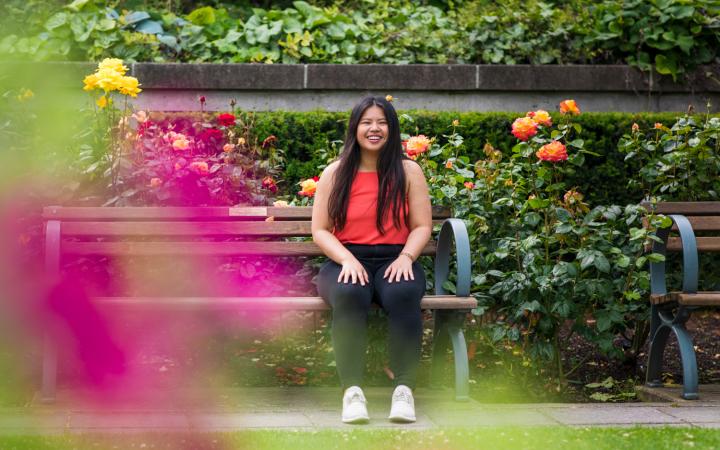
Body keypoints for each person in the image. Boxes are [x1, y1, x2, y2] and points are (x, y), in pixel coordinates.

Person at [312, 95, 432, 424]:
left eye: (381, 122)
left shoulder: (409, 171)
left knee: (404, 292)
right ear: (355, 128)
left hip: (397, 258)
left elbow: (422, 226)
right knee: (349, 294)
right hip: (344, 259)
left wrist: (407, 257)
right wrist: (347, 260)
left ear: (391, 129)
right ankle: (352, 392)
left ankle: (404, 390)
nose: (374, 128)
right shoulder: (335, 173)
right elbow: (320, 230)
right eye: (367, 122)